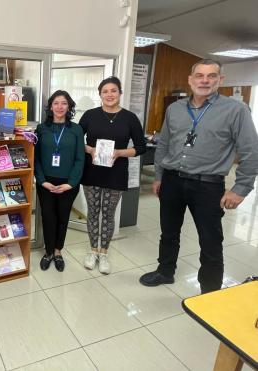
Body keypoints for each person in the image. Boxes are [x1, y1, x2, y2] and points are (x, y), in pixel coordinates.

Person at [139, 59, 258, 294]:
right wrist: (159, 176)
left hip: (208, 186)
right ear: (190, 80)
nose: (205, 80)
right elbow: (164, 145)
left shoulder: (235, 110)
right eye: (200, 76)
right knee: (169, 232)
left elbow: (251, 150)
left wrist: (240, 188)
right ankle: (165, 271)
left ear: (220, 80)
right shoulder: (175, 109)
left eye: (211, 76)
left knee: (210, 241)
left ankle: (209, 292)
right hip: (172, 181)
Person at [79, 76, 146, 274]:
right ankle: (92, 251)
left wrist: (120, 153)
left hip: (116, 173)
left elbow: (141, 147)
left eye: (113, 91)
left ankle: (104, 253)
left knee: (107, 214)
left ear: (120, 93)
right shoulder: (90, 115)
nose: (109, 95)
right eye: (105, 91)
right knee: (93, 212)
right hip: (91, 171)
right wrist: (89, 149)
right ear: (99, 94)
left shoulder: (129, 118)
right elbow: (75, 139)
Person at [35, 90, 85, 272]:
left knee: (63, 218)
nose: (60, 107)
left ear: (69, 106)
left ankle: (57, 252)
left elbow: (80, 159)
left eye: (64, 103)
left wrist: (71, 183)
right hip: (46, 183)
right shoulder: (41, 129)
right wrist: (41, 181)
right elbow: (36, 158)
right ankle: (48, 252)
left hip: (68, 183)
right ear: (50, 107)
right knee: (48, 217)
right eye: (56, 103)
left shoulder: (76, 129)